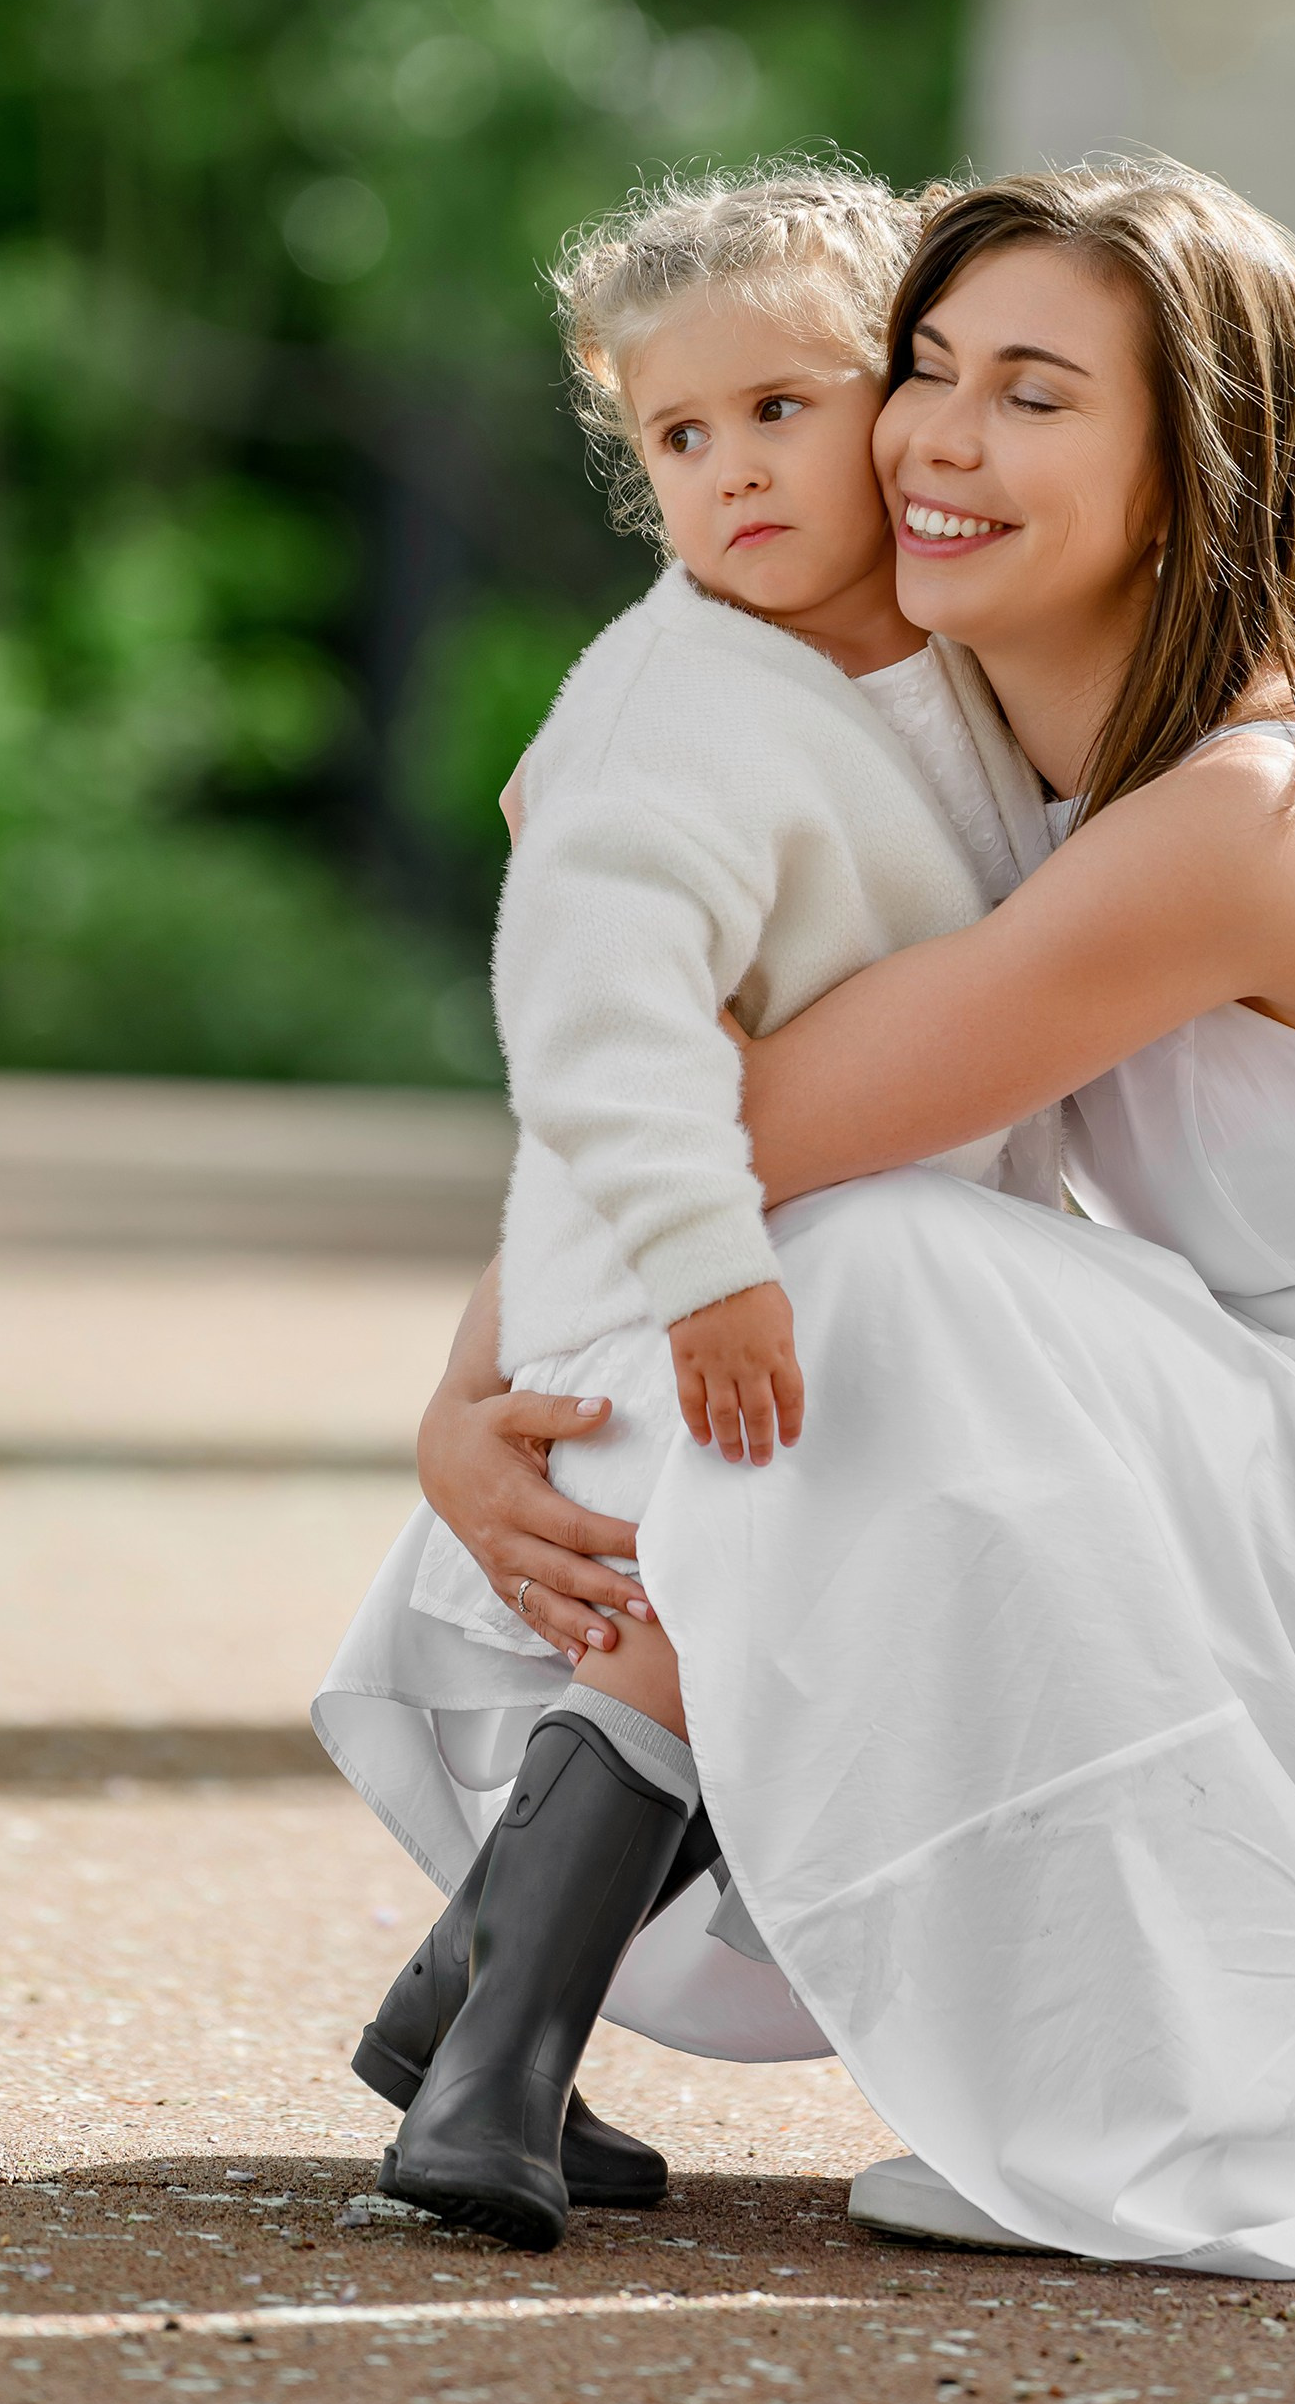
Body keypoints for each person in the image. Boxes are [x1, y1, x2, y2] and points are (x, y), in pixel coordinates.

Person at [417, 157, 1295, 2282]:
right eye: (925, 370)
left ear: (1195, 460)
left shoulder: (1253, 815)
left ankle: (509, 1974)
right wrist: (479, 1392)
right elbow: (738, 1123)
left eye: (1035, 396)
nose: (936, 440)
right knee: (803, 1288)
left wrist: (474, 1384)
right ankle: (493, 1978)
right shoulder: (1056, 787)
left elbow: (756, 1138)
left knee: (868, 1282)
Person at [313, 162, 1057, 2248]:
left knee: (814, 1601)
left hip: (821, 1258)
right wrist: (707, 1279)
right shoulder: (672, 713)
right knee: (711, 1608)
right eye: (678, 435)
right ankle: (486, 2084)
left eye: (782, 410)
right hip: (691, 1275)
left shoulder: (941, 665)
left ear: (897, 409)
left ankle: (454, 1998)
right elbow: (599, 1042)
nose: (730, 470)